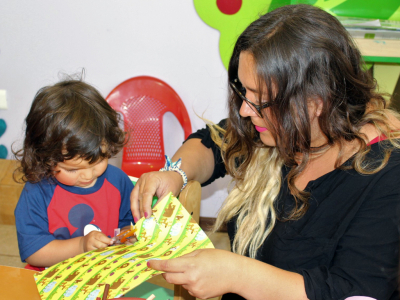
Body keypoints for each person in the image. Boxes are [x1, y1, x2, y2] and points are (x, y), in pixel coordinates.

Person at [131, 4, 400, 300]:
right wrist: (175, 173)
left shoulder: (386, 179)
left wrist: (237, 274)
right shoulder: (276, 132)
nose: (246, 110)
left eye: (260, 100)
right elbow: (211, 143)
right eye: (244, 92)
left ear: (316, 101)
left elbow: (354, 291)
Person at [13, 78, 134, 270]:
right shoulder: (37, 191)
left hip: (104, 276)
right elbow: (34, 253)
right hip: (51, 279)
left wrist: (128, 236)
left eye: (97, 162)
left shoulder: (118, 181)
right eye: (72, 169)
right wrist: (81, 245)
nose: (87, 176)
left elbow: (129, 222)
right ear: (45, 158)